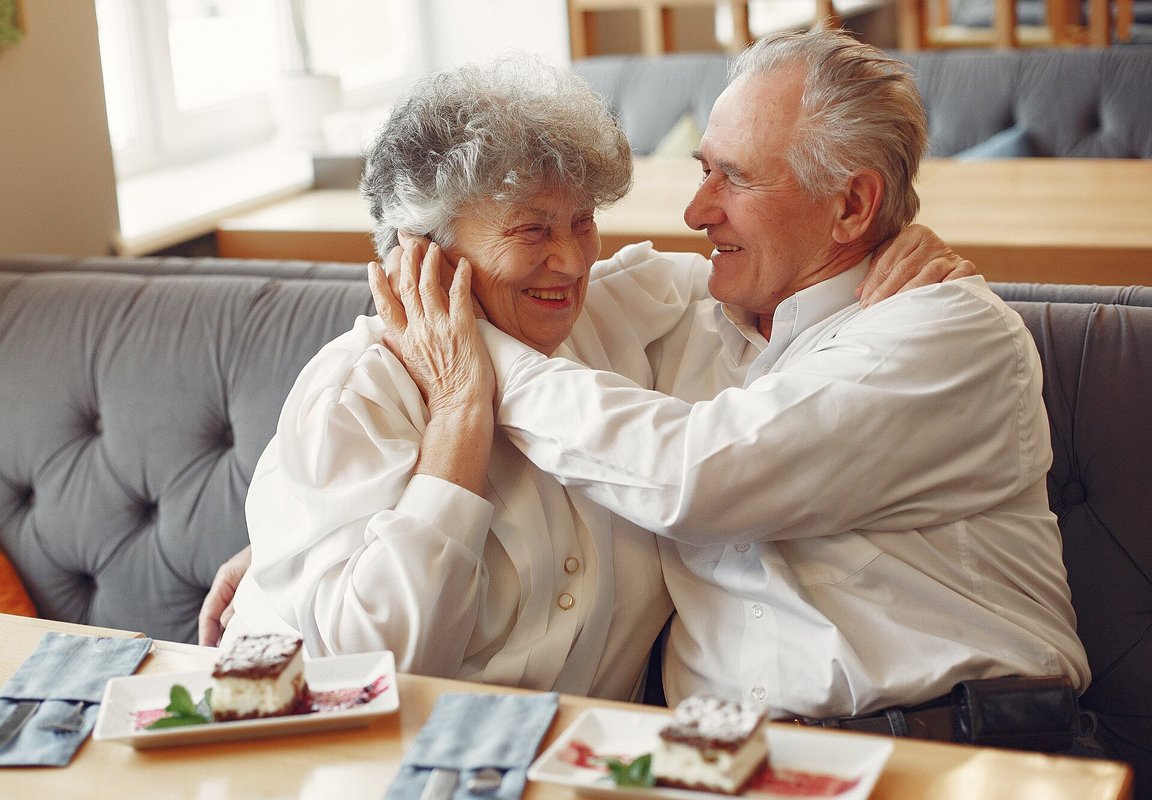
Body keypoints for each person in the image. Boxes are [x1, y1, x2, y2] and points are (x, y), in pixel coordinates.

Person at [370, 28, 1091, 727]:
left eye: (736, 179)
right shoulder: (693, 308)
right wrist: (277, 547)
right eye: (703, 168)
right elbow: (455, 304)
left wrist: (472, 365)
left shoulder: (947, 334)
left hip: (952, 746)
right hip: (719, 761)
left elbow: (697, 477)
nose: (696, 211)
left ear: (851, 205)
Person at [206, 53, 970, 702]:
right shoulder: (361, 394)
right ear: (425, 251)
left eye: (582, 222)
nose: (572, 262)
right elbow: (379, 676)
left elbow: (783, 277)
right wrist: (458, 423)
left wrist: (895, 244)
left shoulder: (625, 318)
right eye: (533, 229)